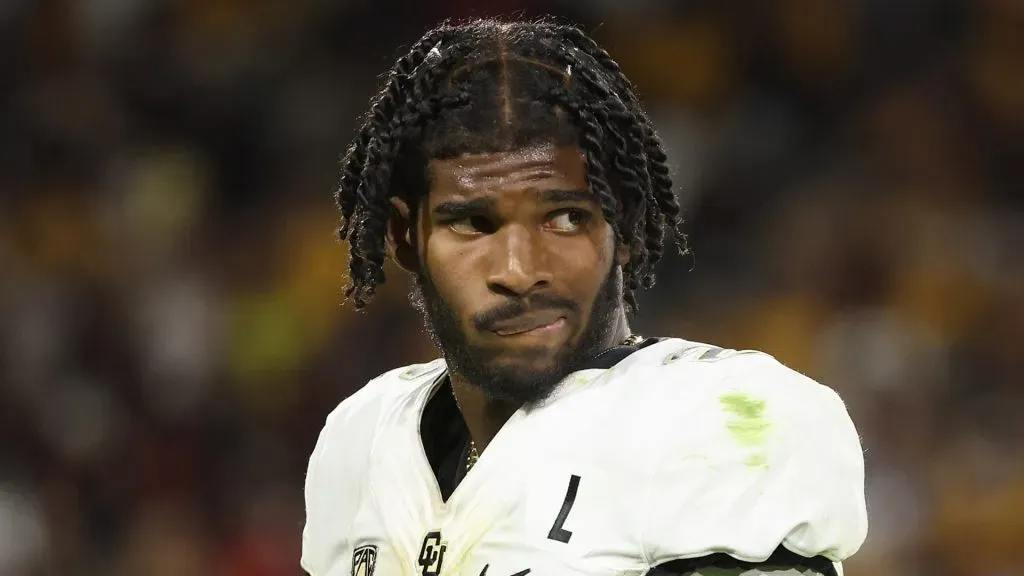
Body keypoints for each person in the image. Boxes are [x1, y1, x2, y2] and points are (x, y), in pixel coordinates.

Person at [301, 18, 867, 576]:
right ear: (404, 239)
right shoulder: (360, 441)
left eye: (566, 218)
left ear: (626, 223)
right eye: (474, 223)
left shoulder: (715, 422)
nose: (519, 272)